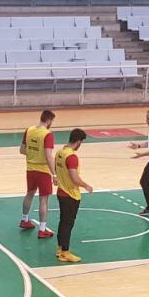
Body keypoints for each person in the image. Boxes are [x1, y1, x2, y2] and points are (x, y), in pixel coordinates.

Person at [53, 129, 92, 264]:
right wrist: (86, 185)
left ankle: (60, 249)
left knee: (63, 222)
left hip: (61, 192)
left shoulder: (60, 152)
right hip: (70, 194)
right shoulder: (71, 156)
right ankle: (65, 252)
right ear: (78, 142)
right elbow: (74, 178)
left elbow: (57, 171)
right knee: (68, 224)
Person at [18, 110, 55, 240]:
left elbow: (22, 150)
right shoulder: (48, 135)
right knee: (43, 200)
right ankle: (42, 229)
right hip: (43, 171)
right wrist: (54, 174)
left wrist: (33, 154)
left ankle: (24, 220)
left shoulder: (29, 130)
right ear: (49, 121)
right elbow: (49, 156)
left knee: (29, 193)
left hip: (30, 169)